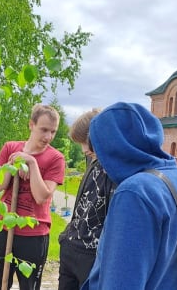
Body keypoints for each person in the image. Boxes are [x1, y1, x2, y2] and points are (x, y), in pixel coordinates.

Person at [80, 102, 177, 290]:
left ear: (114, 147)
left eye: (99, 154)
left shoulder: (135, 192)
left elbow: (120, 283)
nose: (101, 165)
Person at [0, 104, 66, 290]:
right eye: (44, 130)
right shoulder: (10, 148)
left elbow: (41, 197)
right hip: (4, 227)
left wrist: (31, 163)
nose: (48, 137)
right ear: (31, 125)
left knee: (29, 286)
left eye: (53, 132)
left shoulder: (56, 158)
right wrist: (12, 165)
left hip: (34, 234)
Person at [58, 109, 117, 290]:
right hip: (72, 246)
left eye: (85, 142)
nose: (84, 149)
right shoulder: (93, 162)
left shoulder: (115, 169)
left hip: (93, 254)